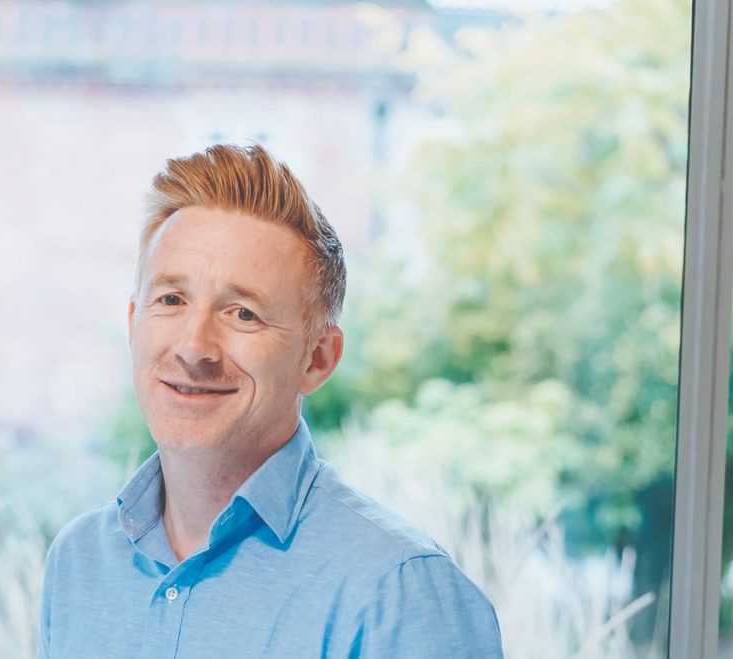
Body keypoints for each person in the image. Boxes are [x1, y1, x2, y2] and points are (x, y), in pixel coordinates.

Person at [38, 144, 502, 658]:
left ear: (317, 359)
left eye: (243, 314)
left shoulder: (399, 594)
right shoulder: (78, 565)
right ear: (134, 323)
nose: (193, 346)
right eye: (171, 299)